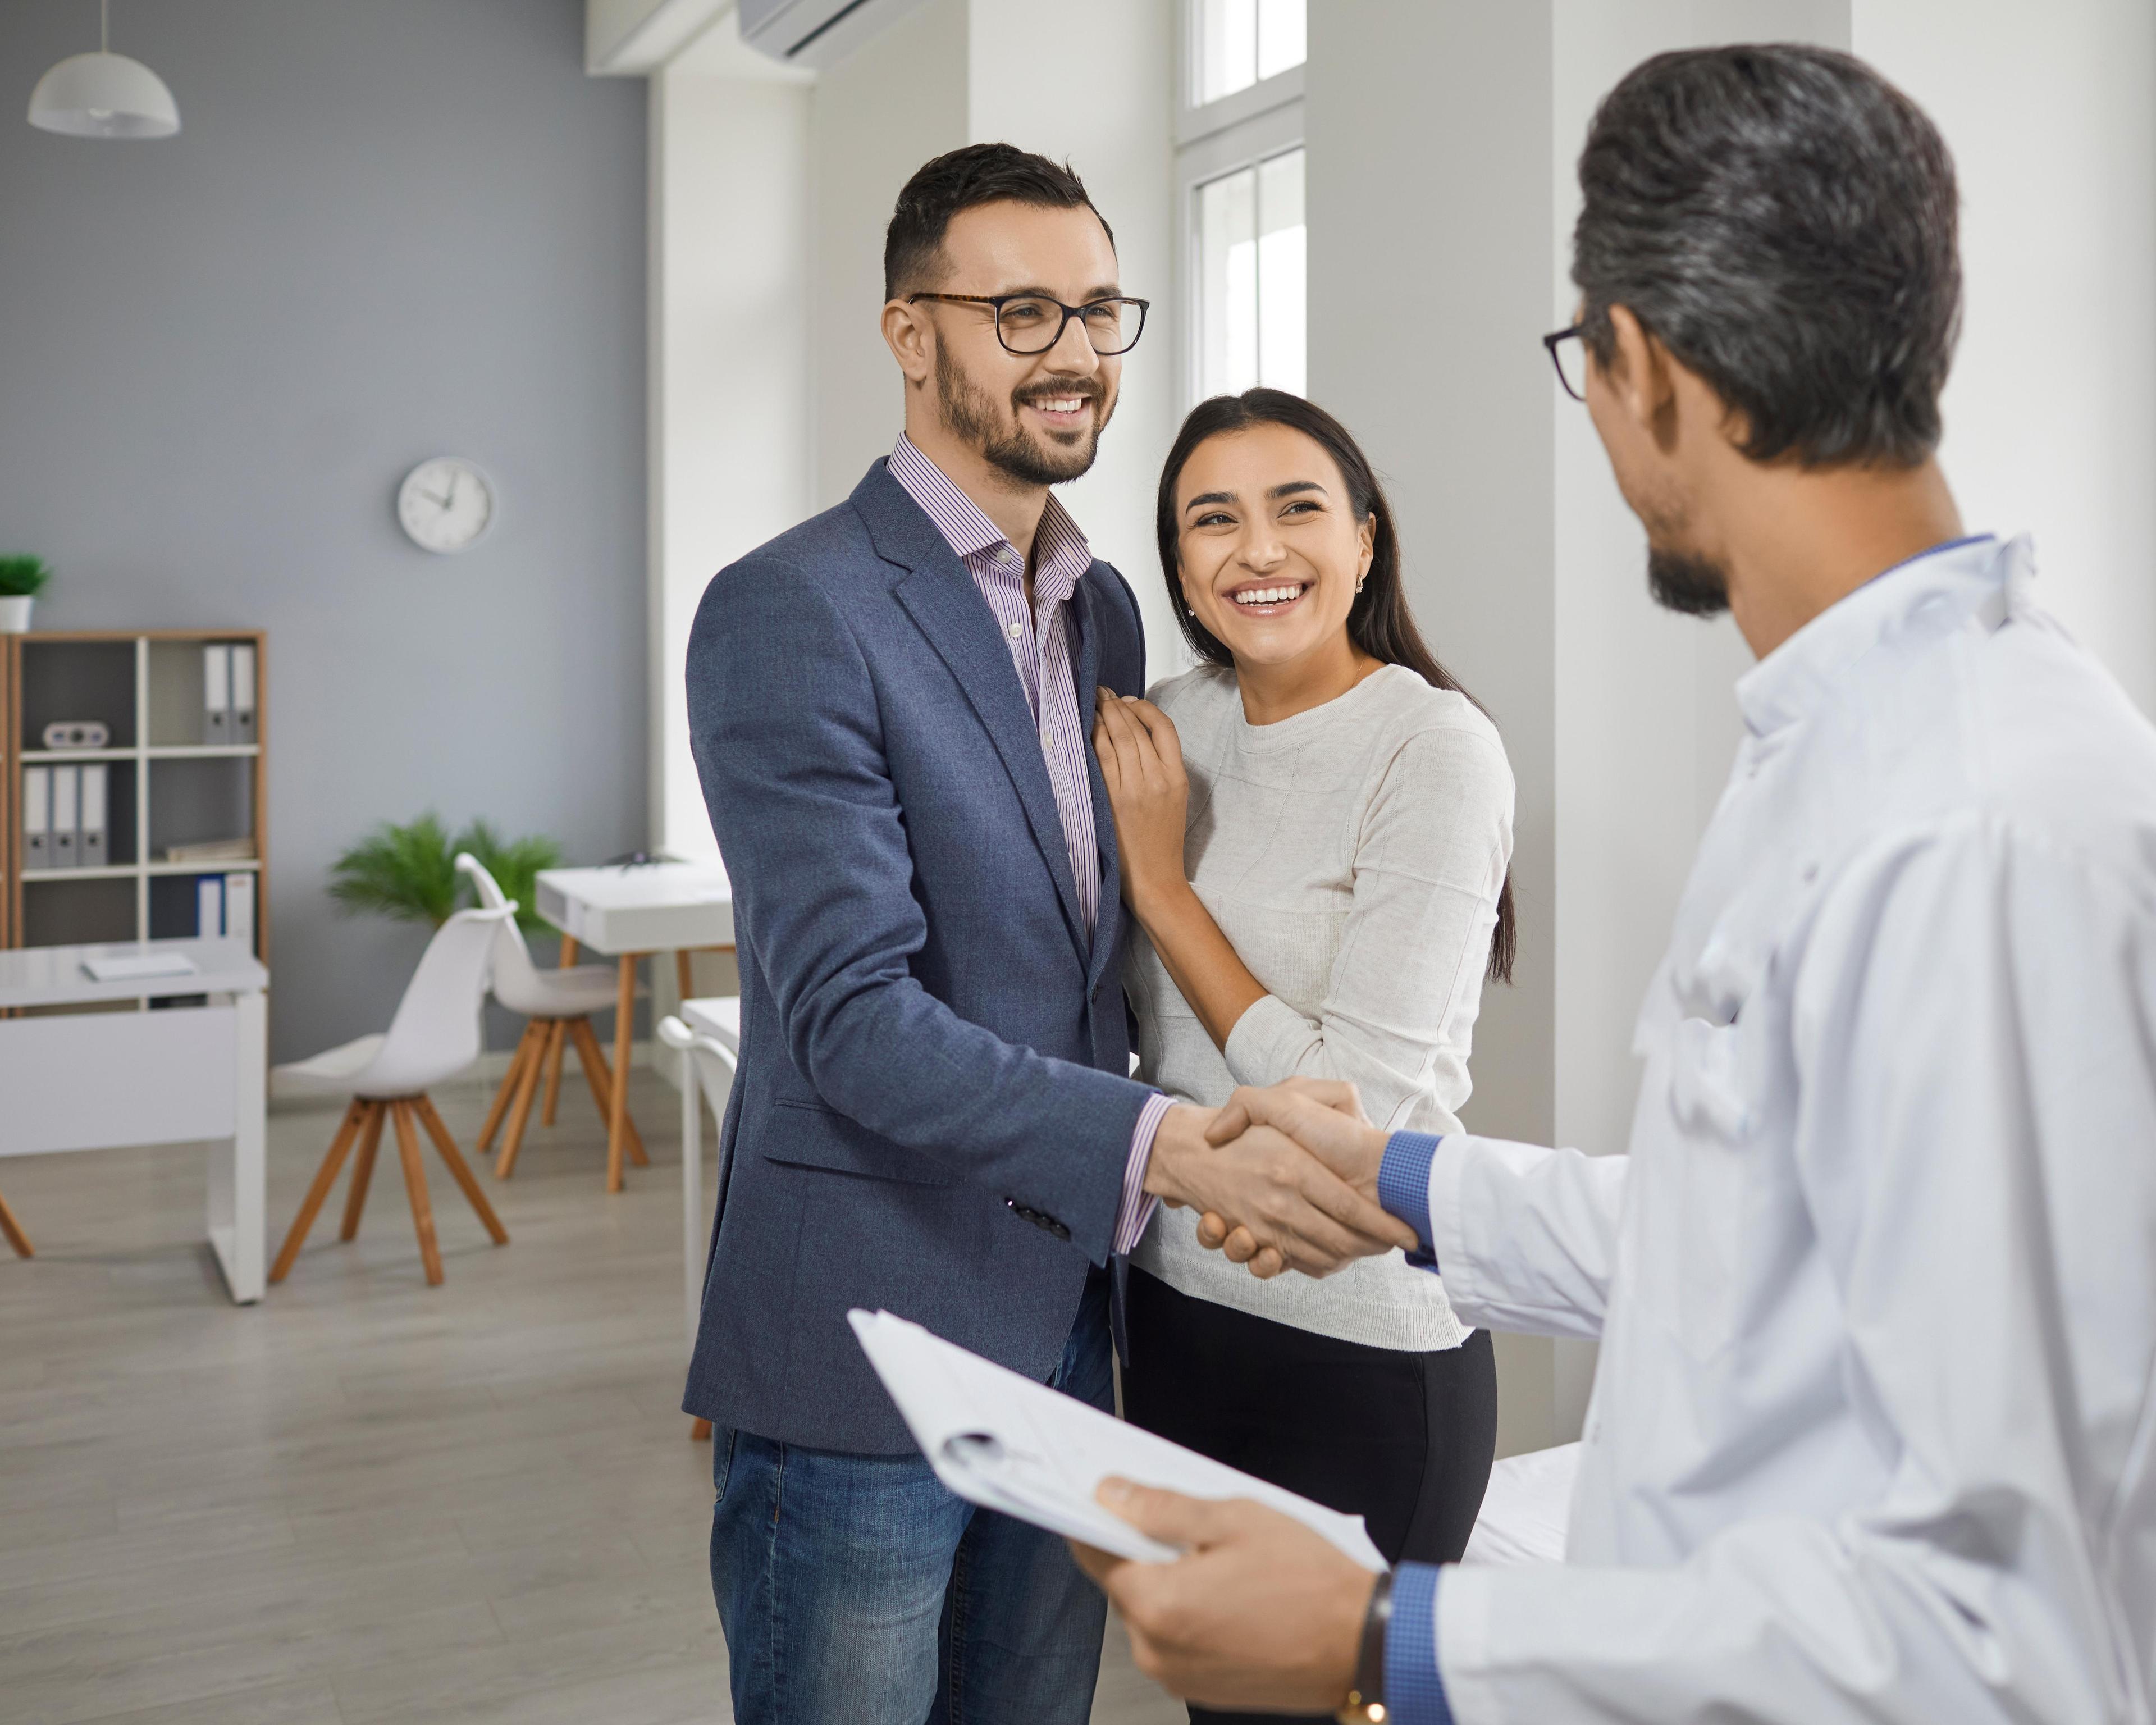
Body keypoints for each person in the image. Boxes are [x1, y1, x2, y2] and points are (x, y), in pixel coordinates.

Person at [1071, 44, 2156, 1724]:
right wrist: (1406, 1182)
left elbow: (1999, 1625)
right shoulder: (1855, 743)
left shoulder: (1971, 824)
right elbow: (1751, 1233)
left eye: (1584, 360)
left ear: (1641, 367)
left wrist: (1389, 1643)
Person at [681, 143, 1414, 1725]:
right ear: (909, 333)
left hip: (1073, 1324)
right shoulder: (792, 606)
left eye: (1096, 309)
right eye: (1020, 311)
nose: (1074, 351)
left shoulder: (1108, 612)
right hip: (865, 1332)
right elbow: (850, 1020)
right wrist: (1176, 1146)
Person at [1090, 388, 1515, 1725]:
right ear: (1179, 571)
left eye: (1298, 510)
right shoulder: (1166, 722)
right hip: (1172, 1310)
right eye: (1213, 520)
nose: (1257, 550)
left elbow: (1362, 1103)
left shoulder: (1433, 746)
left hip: (1367, 1353)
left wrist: (1167, 893)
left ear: (1368, 541)